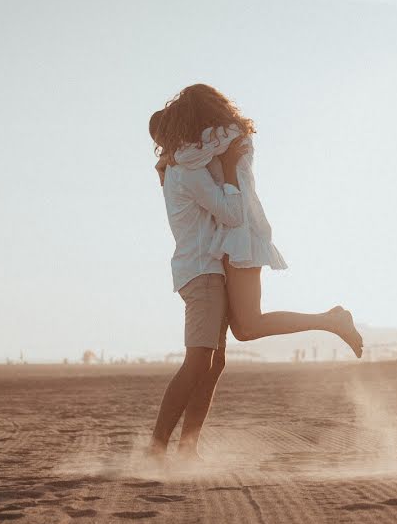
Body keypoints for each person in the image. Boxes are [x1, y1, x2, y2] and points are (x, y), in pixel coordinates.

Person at [151, 84, 364, 356]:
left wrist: (167, 158)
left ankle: (330, 321)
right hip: (234, 231)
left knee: (249, 325)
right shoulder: (224, 135)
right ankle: (329, 320)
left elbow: (185, 156)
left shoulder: (222, 136)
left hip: (242, 233)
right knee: (243, 329)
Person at [147, 120, 250, 462]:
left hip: (205, 271)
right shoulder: (187, 171)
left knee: (213, 362)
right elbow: (232, 214)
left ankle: (187, 448)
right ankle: (157, 449)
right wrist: (233, 169)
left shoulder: (179, 167)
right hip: (203, 273)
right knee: (198, 362)